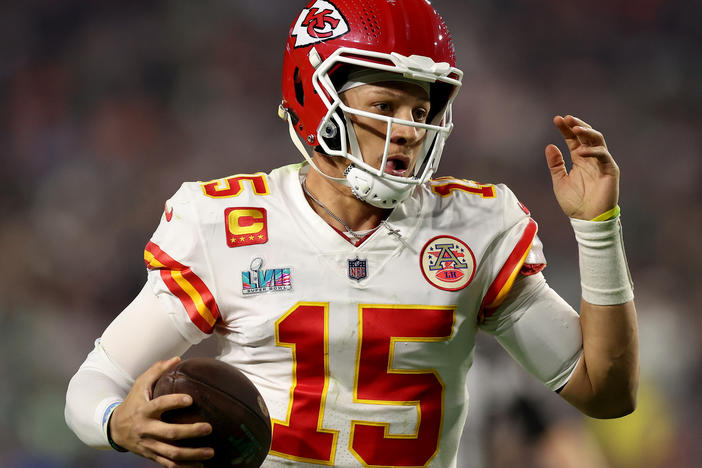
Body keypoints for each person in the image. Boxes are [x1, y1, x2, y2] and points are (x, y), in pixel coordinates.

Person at [65, 0, 639, 467]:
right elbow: (93, 385)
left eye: (421, 111)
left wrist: (598, 231)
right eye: (386, 104)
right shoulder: (224, 223)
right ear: (318, 105)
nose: (409, 130)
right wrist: (117, 423)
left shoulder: (474, 224)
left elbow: (605, 392)